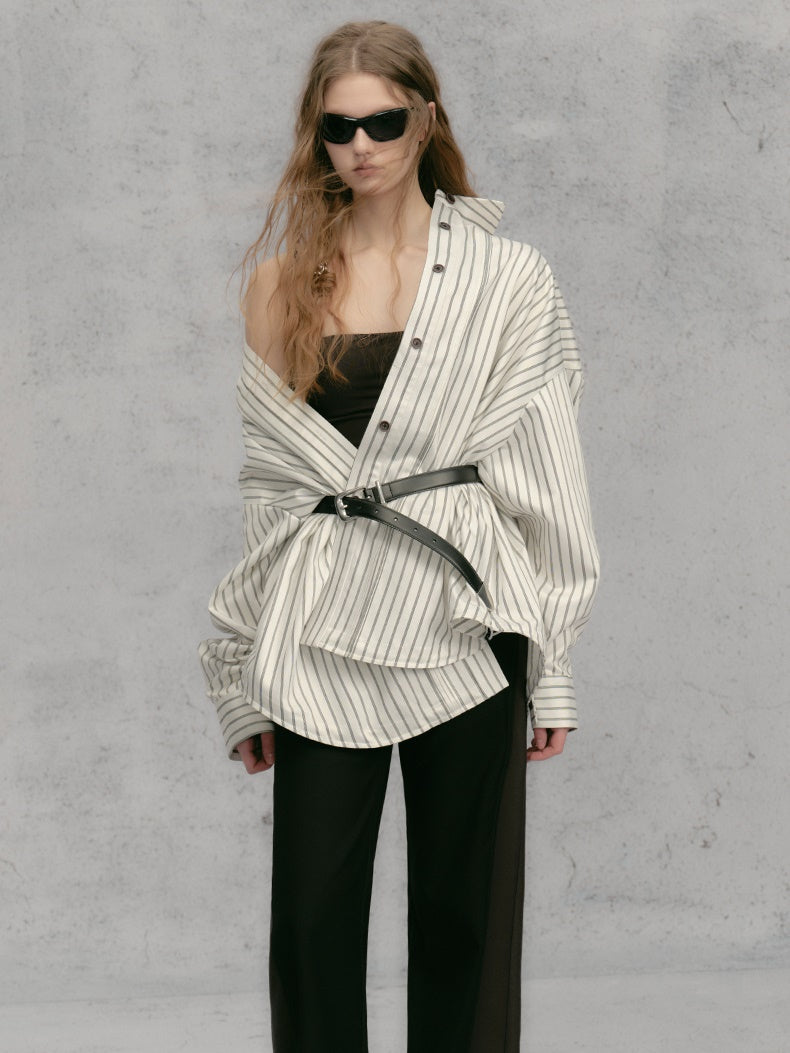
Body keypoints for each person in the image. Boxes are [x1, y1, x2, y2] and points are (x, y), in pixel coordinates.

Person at [198, 19, 599, 1053]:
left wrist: (552, 666)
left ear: (425, 119)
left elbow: (547, 473)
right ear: (316, 137)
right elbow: (273, 491)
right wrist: (238, 670)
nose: (362, 145)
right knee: (310, 926)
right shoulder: (281, 283)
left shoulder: (508, 279)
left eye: (383, 121)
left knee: (469, 918)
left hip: (466, 621)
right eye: (339, 128)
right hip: (323, 622)